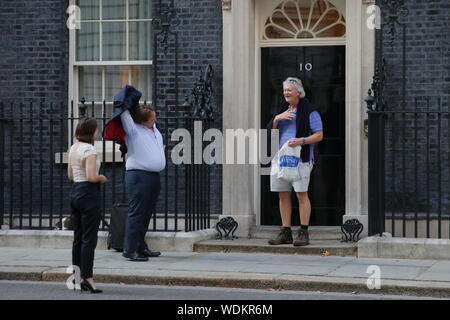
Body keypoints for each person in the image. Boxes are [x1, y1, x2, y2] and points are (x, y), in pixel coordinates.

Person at [266, 77, 323, 247]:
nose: (286, 93)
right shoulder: (282, 110)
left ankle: (303, 232)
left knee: (301, 194)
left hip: (301, 159)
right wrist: (277, 119)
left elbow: (319, 135)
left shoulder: (310, 111)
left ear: (299, 92)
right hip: (281, 159)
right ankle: (286, 232)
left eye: (289, 90)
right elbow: (272, 134)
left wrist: (300, 141)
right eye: (284, 90)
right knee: (282, 194)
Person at [120, 105, 166, 262]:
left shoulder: (154, 129)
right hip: (138, 175)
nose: (156, 119)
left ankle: (140, 246)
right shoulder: (134, 131)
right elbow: (125, 116)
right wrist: (125, 104)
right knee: (137, 213)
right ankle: (130, 249)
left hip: (153, 176)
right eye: (153, 118)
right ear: (143, 121)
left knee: (146, 213)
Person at [68, 118, 108, 293]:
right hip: (88, 194)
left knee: (78, 237)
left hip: (75, 191)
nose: (97, 133)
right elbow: (92, 176)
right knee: (89, 239)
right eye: (96, 130)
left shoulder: (73, 148)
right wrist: (102, 178)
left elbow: (70, 175)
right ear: (91, 132)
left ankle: (76, 278)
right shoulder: (89, 149)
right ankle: (88, 278)